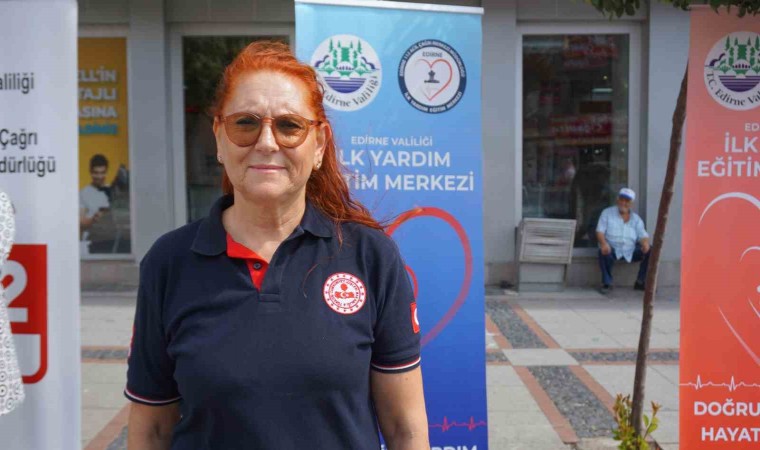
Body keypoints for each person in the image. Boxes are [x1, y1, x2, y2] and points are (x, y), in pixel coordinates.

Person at [125, 41, 429, 450]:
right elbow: (152, 430)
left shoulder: (370, 256)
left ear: (318, 145)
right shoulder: (169, 262)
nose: (267, 142)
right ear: (219, 138)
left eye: (289, 126)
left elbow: (405, 428)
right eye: (245, 123)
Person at [596, 187, 650, 294]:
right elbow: (599, 231)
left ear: (631, 204)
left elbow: (643, 235)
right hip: (612, 249)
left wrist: (645, 243)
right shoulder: (607, 213)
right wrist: (603, 243)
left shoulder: (636, 219)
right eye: (622, 199)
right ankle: (607, 283)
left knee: (651, 250)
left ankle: (641, 281)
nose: (623, 203)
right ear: (617, 200)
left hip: (630, 250)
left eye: (627, 201)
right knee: (603, 251)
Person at [79, 153, 111, 236]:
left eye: (102, 173)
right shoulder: (83, 193)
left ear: (106, 172)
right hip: (91, 241)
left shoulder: (112, 191)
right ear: (90, 171)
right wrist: (96, 217)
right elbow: (81, 223)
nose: (99, 176)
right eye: (96, 173)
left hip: (111, 238)